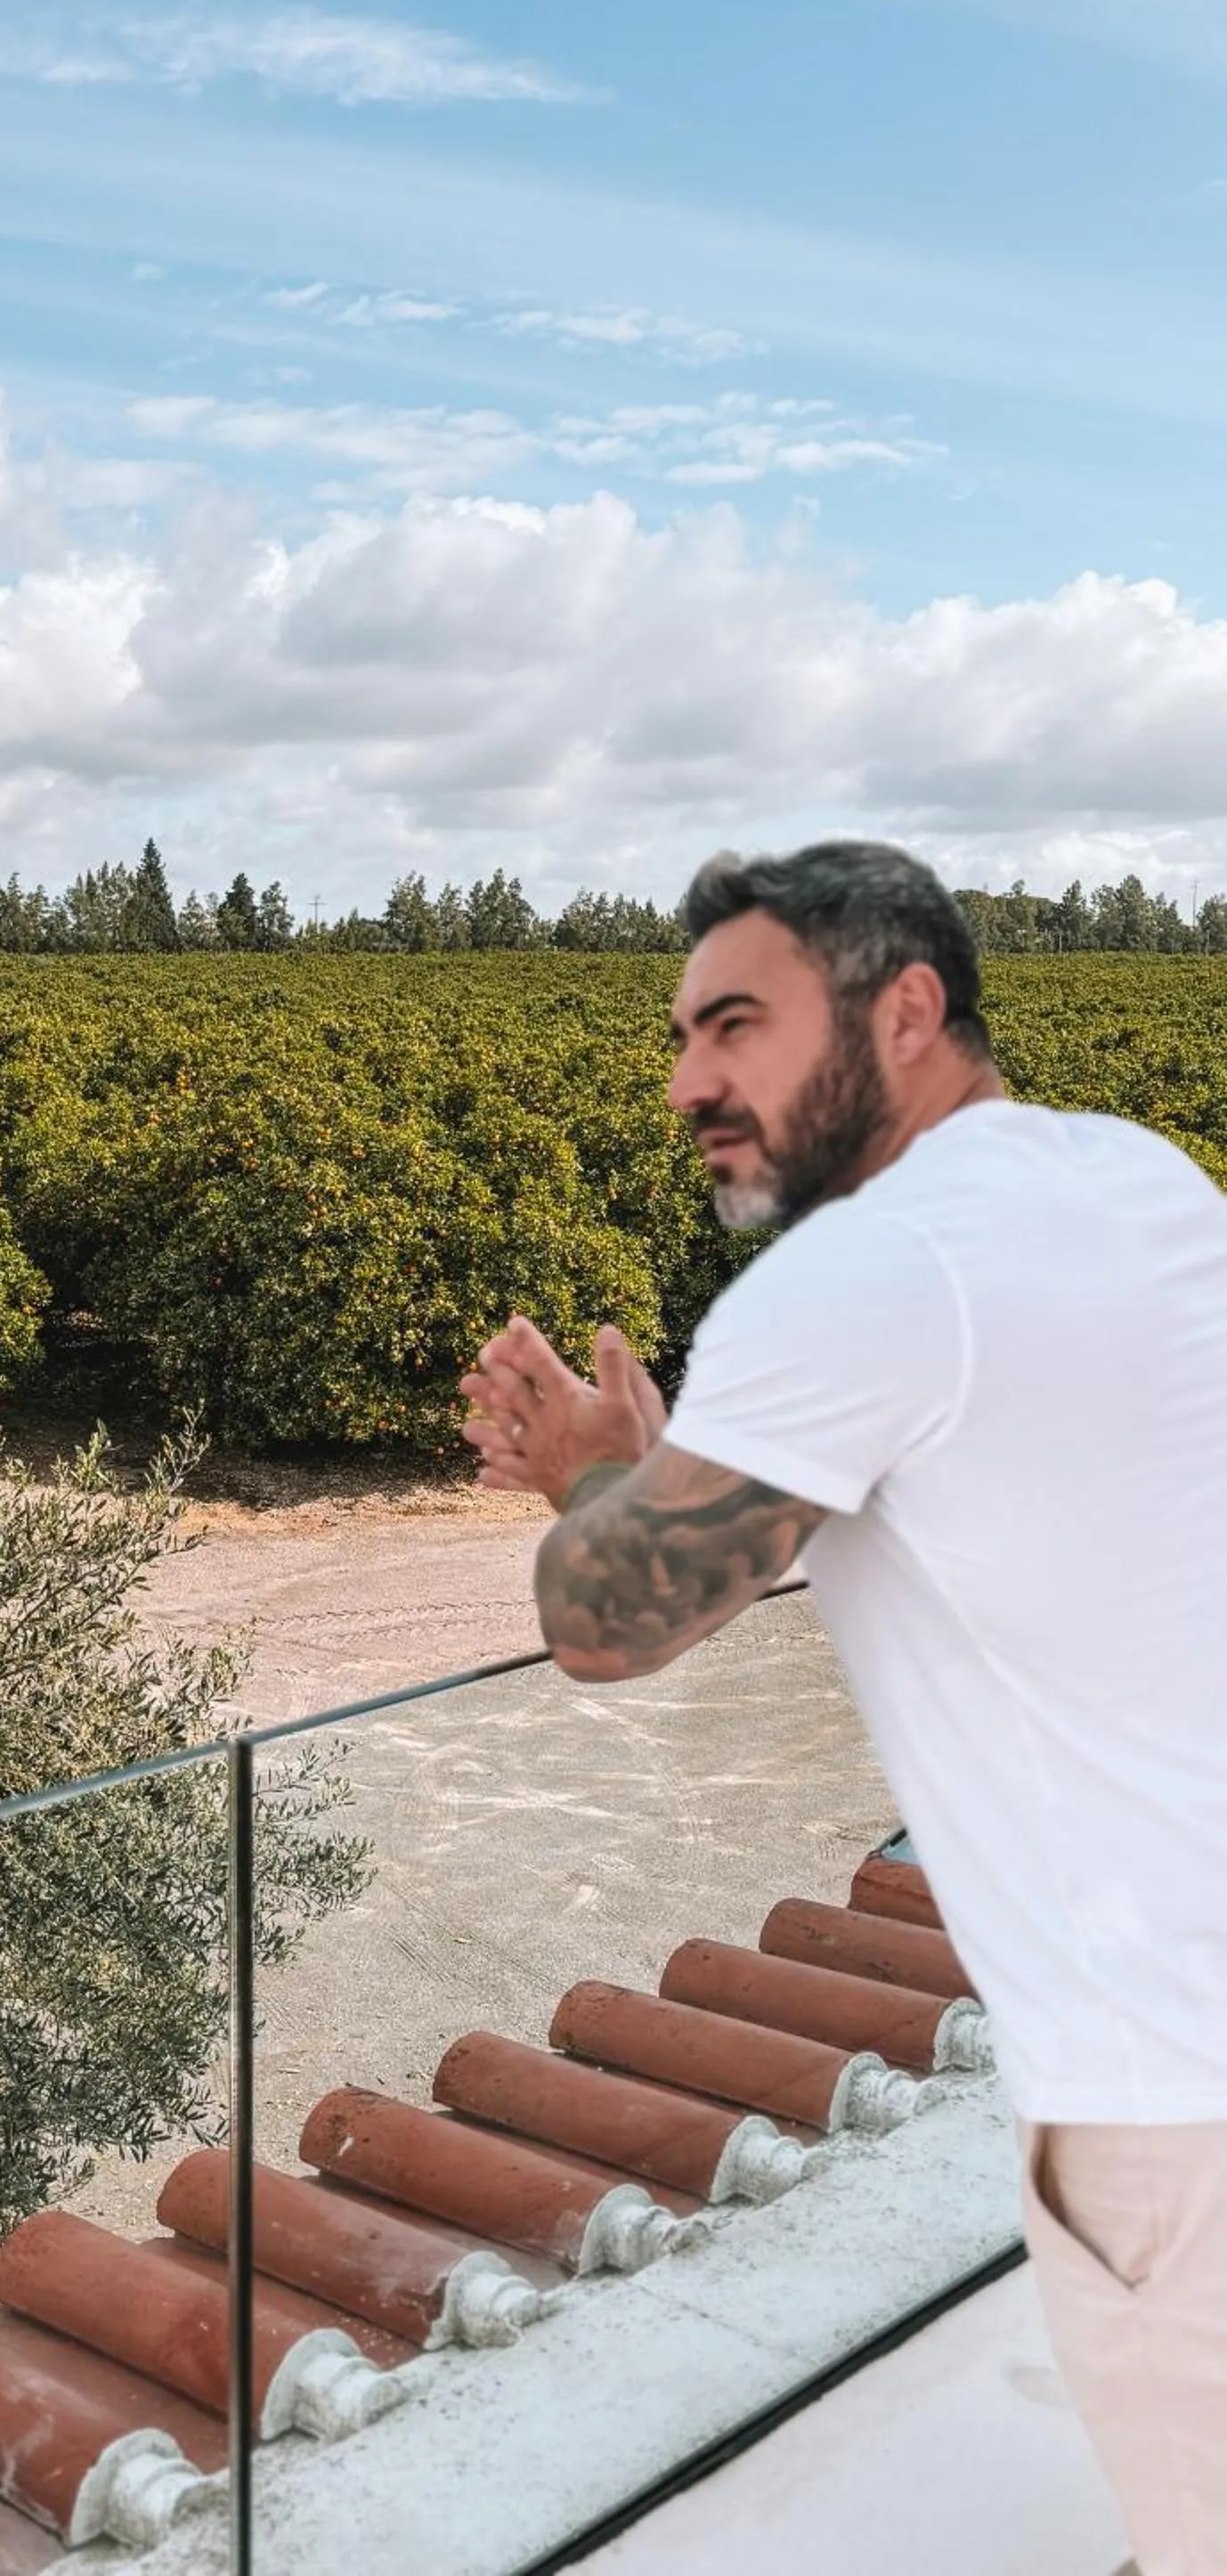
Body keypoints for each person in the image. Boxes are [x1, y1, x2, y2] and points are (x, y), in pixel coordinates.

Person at [460, 839, 1227, 2576]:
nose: (688, 1085)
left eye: (735, 1026)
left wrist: (597, 1482)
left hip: (1174, 2087)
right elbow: (993, 1496)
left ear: (905, 1010)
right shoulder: (1138, 1178)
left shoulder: (857, 1275)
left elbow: (607, 1622)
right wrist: (681, 1472)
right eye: (680, 1036)